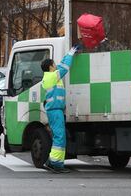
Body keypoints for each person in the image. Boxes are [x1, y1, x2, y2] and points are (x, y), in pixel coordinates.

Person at [40, 45, 80, 173]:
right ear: (51, 67)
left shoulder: (50, 76)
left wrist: (68, 53)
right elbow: (64, 67)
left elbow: (61, 64)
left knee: (60, 137)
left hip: (55, 111)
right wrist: (71, 53)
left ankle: (54, 163)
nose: (56, 65)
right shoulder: (51, 77)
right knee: (59, 137)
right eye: (54, 64)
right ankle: (54, 164)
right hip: (55, 111)